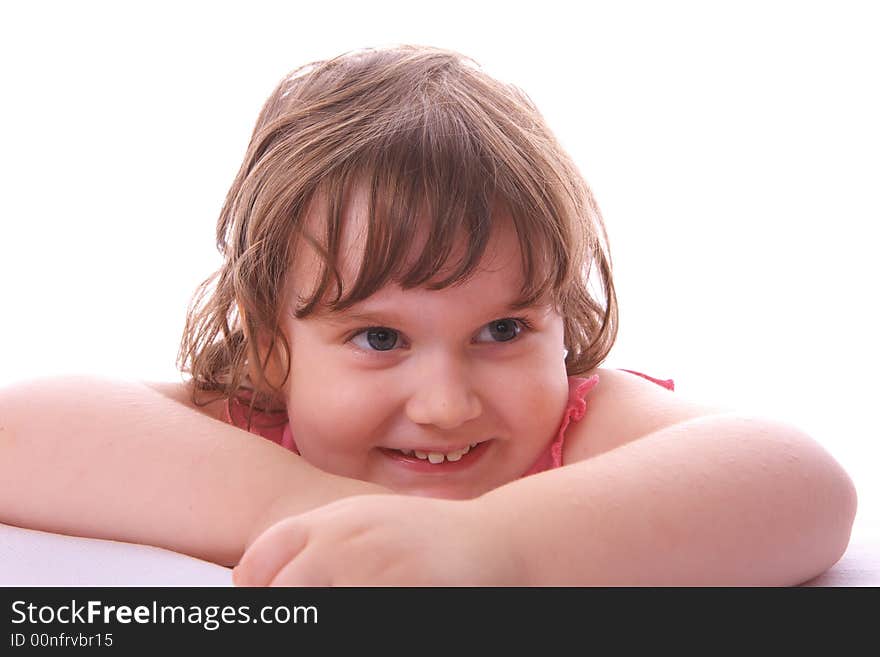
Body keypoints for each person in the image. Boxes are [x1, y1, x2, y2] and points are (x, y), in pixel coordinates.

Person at [0, 45, 857, 586]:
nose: (446, 404)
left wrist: (487, 547)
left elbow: (805, 484)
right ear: (272, 346)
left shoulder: (576, 429)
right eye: (380, 337)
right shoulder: (260, 422)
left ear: (562, 319)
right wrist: (306, 506)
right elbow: (19, 430)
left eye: (503, 330)